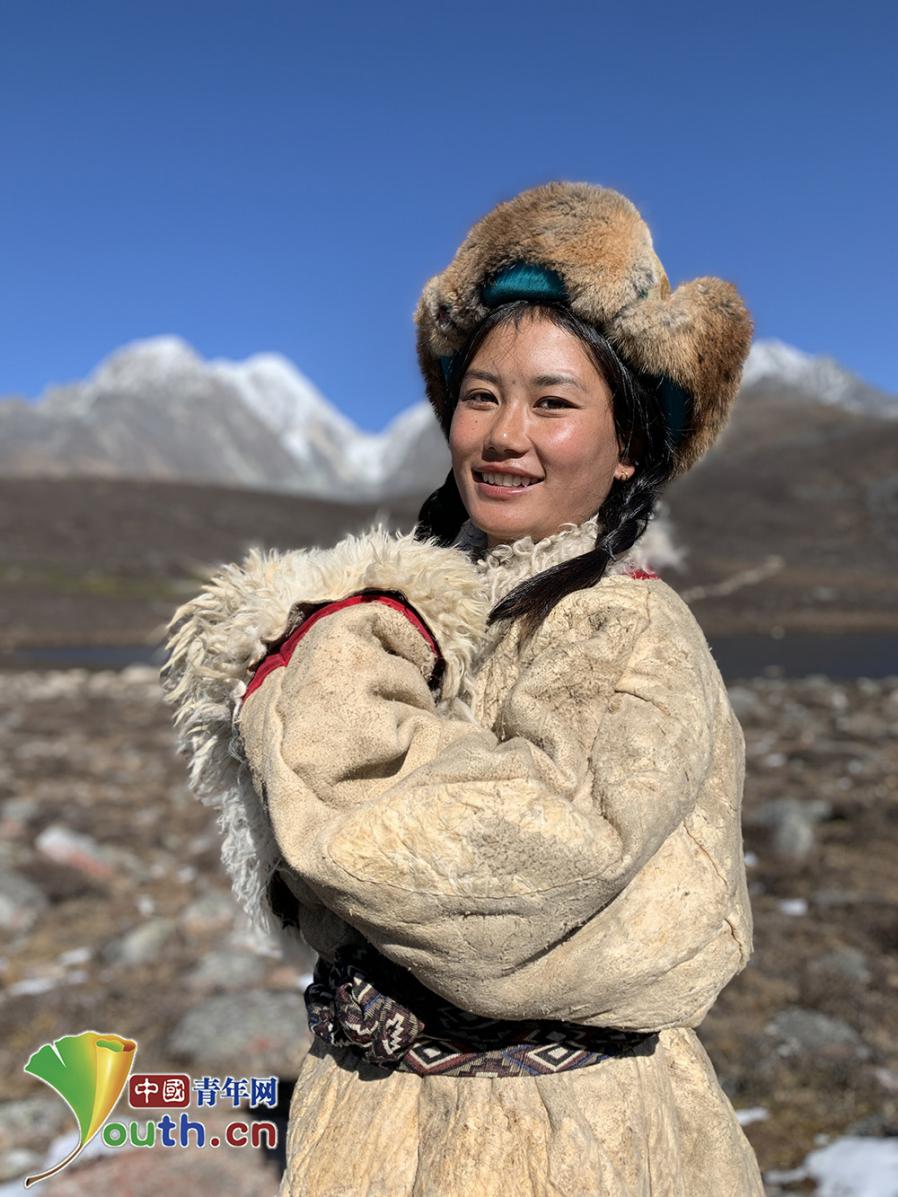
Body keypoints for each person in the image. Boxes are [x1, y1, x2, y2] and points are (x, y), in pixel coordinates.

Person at [161, 181, 766, 1195]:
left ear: (628, 447)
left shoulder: (625, 629)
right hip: (382, 1120)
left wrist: (318, 666)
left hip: (558, 1139)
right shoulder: (439, 612)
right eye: (480, 396)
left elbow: (525, 865)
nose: (503, 434)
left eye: (553, 402)